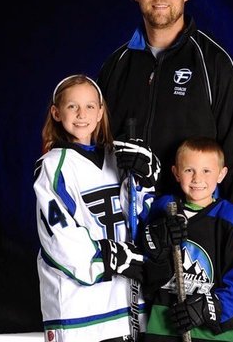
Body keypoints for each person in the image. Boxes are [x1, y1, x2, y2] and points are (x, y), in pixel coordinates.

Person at [97, 0, 233, 217]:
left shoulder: (214, 62)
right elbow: (95, 141)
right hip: (125, 217)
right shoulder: (116, 64)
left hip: (190, 220)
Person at [33, 74, 160, 342]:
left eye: (90, 106)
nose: (82, 114)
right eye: (72, 106)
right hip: (78, 307)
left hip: (124, 302)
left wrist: (146, 177)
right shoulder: (53, 166)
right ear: (56, 113)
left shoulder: (119, 156)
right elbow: (60, 236)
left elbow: (136, 213)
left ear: (101, 111)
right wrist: (111, 256)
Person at [140, 136, 233, 342]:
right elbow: (144, 261)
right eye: (189, 170)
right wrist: (157, 240)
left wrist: (208, 308)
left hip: (213, 334)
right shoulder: (163, 210)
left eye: (206, 171)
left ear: (221, 174)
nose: (197, 179)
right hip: (162, 325)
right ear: (176, 173)